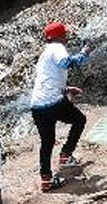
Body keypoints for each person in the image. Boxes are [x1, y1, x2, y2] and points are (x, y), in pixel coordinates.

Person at [30, 22, 91, 191]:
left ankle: (46, 180)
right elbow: (66, 63)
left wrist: (66, 89)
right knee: (79, 120)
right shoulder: (57, 47)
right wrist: (84, 53)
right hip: (53, 102)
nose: (66, 37)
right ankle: (66, 155)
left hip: (37, 105)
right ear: (58, 36)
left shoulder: (44, 54)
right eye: (64, 34)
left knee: (47, 142)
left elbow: (46, 81)